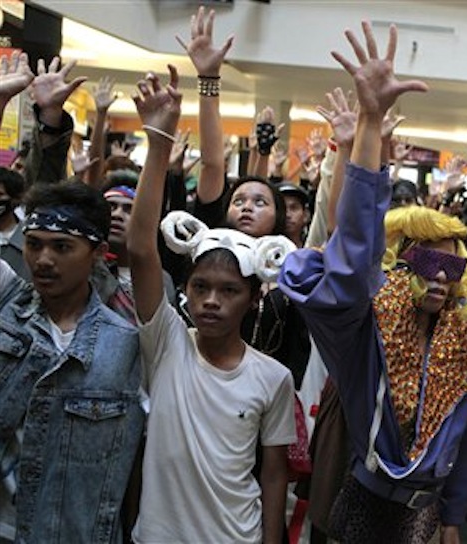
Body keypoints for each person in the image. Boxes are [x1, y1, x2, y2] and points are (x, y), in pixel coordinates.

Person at [278, 22, 467, 542]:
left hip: (427, 511)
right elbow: (352, 263)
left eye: (452, 267)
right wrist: (369, 125)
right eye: (425, 262)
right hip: (362, 495)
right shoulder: (369, 322)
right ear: (398, 265)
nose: (439, 276)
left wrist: (453, 514)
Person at [126, 64, 296, 544]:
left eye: (229, 291)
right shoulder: (168, 343)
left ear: (254, 297)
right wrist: (158, 143)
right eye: (200, 287)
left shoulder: (273, 377)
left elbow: (274, 473)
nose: (211, 302)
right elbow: (141, 249)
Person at [0, 180, 144, 543]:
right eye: (34, 244)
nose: (43, 260)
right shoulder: (5, 313)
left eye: (62, 247)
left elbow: (132, 463)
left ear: (98, 252)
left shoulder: (124, 344)